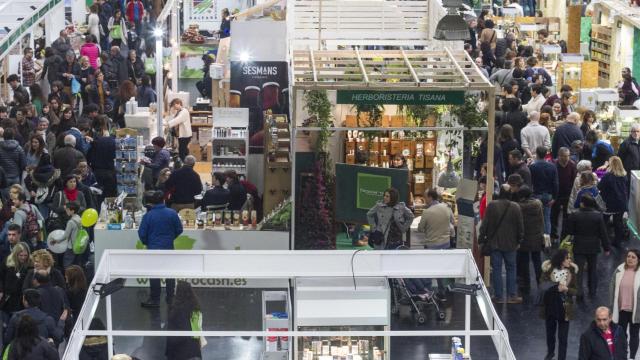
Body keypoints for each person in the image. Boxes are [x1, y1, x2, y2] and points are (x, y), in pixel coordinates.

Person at [479, 185, 524, 304]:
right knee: (511, 268)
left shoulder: (492, 205)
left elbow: (485, 224)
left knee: (497, 269)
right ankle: (512, 295)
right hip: (511, 243)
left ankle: (498, 296)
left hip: (494, 243)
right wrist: (519, 240)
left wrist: (481, 238)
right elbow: (520, 227)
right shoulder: (515, 207)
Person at [138, 190, 182, 307]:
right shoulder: (172, 213)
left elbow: (142, 234)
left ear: (152, 202)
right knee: (170, 273)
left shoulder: (148, 216)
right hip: (168, 247)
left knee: (154, 274)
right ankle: (170, 298)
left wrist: (148, 242)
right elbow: (179, 229)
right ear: (164, 200)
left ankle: (155, 299)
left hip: (153, 248)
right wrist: (171, 238)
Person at [566, 194, 610, 299]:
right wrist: (606, 248)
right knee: (592, 269)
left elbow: (569, 231)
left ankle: (579, 292)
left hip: (579, 246)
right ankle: (592, 290)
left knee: (578, 270)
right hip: (593, 246)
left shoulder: (575, 215)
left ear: (583, 203)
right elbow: (603, 233)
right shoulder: (598, 216)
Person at [539, 249, 578, 360]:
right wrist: (556, 287)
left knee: (563, 337)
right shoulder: (548, 269)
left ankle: (562, 357)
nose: (569, 260)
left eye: (570, 258)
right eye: (567, 258)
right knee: (550, 333)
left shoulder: (572, 272)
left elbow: (576, 290)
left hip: (565, 307)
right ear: (561, 260)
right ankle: (550, 352)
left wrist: (567, 289)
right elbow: (542, 284)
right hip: (550, 305)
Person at [609, 249, 640, 359]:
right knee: (621, 335)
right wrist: (611, 305)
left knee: (634, 334)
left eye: (633, 257)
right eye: (628, 256)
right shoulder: (619, 269)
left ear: (638, 260)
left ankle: (632, 357)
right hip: (621, 309)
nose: (630, 259)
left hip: (636, 311)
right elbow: (612, 288)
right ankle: (622, 355)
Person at [515, 186, 544, 296]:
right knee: (537, 261)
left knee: (524, 262)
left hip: (524, 238)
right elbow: (542, 220)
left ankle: (526, 284)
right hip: (536, 236)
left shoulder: (518, 207)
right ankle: (540, 282)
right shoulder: (538, 204)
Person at [165, 281, 203, 360]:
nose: (174, 290)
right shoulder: (195, 307)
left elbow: (171, 328)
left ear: (179, 291)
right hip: (192, 349)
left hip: (177, 348)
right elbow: (196, 329)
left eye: (176, 288)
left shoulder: (174, 308)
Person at [598, 156, 629, 247]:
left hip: (609, 204)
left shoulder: (608, 176)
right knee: (618, 223)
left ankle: (603, 241)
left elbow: (599, 187)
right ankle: (617, 242)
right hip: (621, 203)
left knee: (603, 223)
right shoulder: (624, 175)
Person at [529, 146, 558, 235]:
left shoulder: (532, 167)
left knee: (535, 219)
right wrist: (554, 198)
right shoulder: (552, 167)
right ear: (546, 154)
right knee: (546, 219)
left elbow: (530, 183)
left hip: (536, 195)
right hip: (548, 196)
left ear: (537, 154)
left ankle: (536, 240)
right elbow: (556, 183)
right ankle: (546, 241)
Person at [551, 147, 577, 241]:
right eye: (564, 156)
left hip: (567, 195)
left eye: (568, 156)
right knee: (554, 215)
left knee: (567, 217)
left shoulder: (572, 165)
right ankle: (553, 235)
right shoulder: (553, 164)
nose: (566, 158)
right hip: (556, 195)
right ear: (559, 156)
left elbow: (574, 180)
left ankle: (564, 236)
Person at [0, 242, 32, 316]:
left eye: (25, 255)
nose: (23, 257)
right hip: (7, 299)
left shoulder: (30, 264)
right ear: (15, 255)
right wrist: (0, 290)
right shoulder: (7, 262)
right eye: (21, 255)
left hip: (22, 300)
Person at [50, 201, 82, 268]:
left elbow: (65, 236)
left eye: (67, 210)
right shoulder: (79, 218)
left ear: (72, 211)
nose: (66, 211)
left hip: (71, 246)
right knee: (76, 264)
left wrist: (55, 240)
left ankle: (69, 277)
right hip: (78, 244)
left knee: (67, 265)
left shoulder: (71, 222)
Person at [64, 265, 87, 333]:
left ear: (71, 278)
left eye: (67, 275)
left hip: (74, 320)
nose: (65, 276)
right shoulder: (86, 291)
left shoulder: (68, 293)